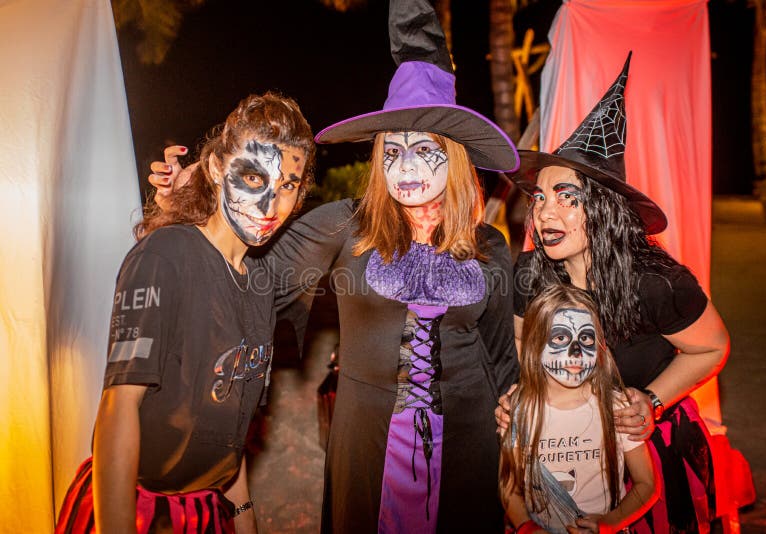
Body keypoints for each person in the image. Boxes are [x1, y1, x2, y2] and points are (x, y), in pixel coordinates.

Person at [149, 2, 520, 531]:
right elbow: (247, 268)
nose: (406, 166)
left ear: (456, 155)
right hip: (368, 445)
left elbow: (501, 358)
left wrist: (518, 417)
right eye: (391, 151)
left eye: (425, 150)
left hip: (467, 443)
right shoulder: (347, 224)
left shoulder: (490, 246)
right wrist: (187, 206)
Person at [55, 91, 315, 534]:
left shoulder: (259, 285)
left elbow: (228, 444)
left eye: (286, 186)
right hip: (138, 512)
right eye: (253, 178)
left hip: (206, 515)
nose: (271, 205)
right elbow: (118, 409)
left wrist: (244, 524)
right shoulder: (165, 254)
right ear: (217, 168)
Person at [501, 54, 730, 533]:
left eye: (567, 196)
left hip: (647, 450)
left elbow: (712, 347)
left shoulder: (658, 281)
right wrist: (523, 392)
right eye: (540, 197)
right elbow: (523, 344)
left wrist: (650, 400)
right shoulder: (528, 276)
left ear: (603, 209)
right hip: (559, 450)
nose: (545, 212)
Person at [500, 284, 659, 534]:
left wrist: (612, 521)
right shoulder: (520, 410)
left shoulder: (616, 407)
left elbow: (647, 484)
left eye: (585, 338)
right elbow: (508, 483)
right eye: (561, 338)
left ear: (599, 346)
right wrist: (526, 526)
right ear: (535, 345)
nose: (576, 352)